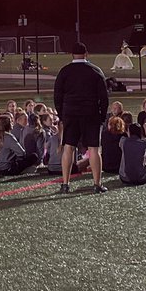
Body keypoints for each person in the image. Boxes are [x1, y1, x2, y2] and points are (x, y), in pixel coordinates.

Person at [53, 42, 109, 194]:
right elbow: (104, 97)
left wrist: (62, 114)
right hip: (91, 113)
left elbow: (57, 95)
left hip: (70, 112)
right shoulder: (95, 71)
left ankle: (65, 184)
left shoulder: (65, 71)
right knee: (94, 149)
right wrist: (102, 116)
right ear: (86, 54)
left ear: (72, 54)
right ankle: (97, 184)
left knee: (69, 147)